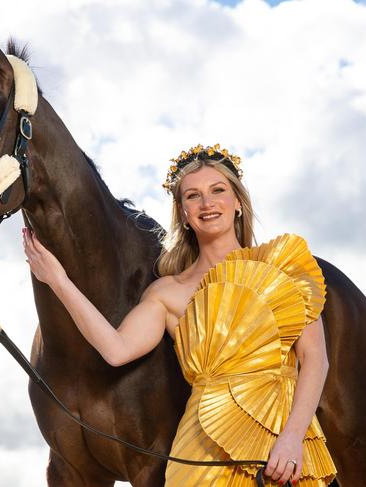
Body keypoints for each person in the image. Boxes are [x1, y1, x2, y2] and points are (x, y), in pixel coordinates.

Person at [22, 144, 337, 486]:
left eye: (218, 190)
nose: (207, 204)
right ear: (183, 213)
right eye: (193, 196)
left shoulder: (284, 266)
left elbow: (315, 359)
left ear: (238, 203)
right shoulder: (168, 292)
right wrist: (57, 280)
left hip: (281, 441)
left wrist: (292, 436)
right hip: (202, 452)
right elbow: (115, 349)